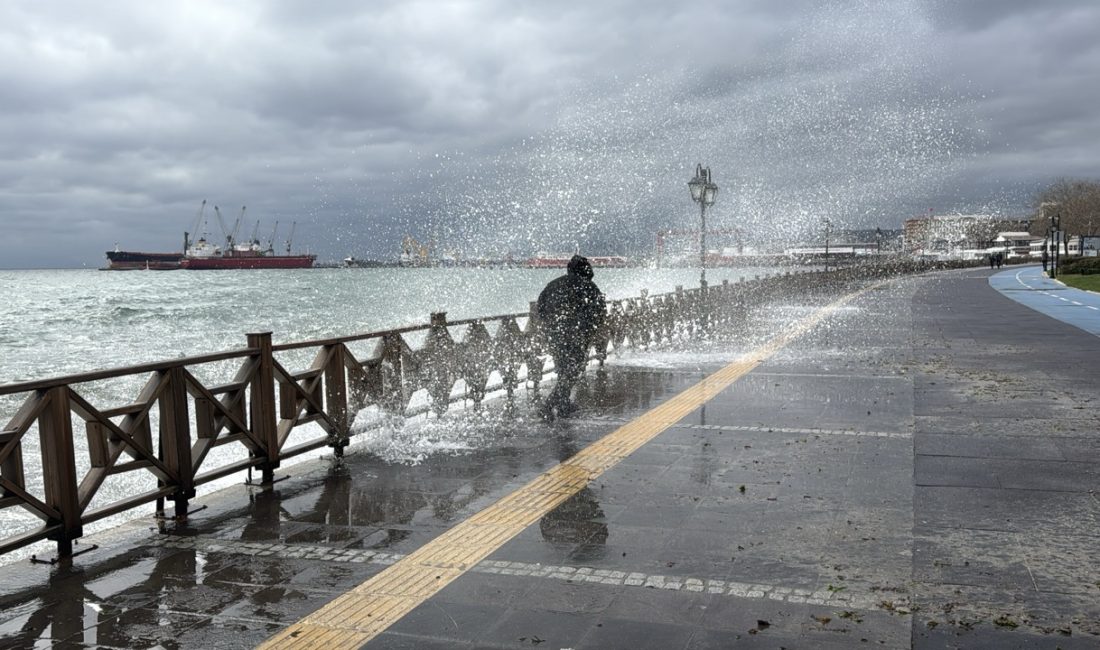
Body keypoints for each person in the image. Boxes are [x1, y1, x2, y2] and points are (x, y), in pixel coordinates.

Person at [536, 254, 606, 421]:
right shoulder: (588, 286)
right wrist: (588, 329)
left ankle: (563, 403)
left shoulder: (553, 285)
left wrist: (551, 327)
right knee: (572, 371)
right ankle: (548, 405)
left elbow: (541, 308)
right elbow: (599, 312)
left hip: (554, 335)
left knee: (564, 370)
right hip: (576, 336)